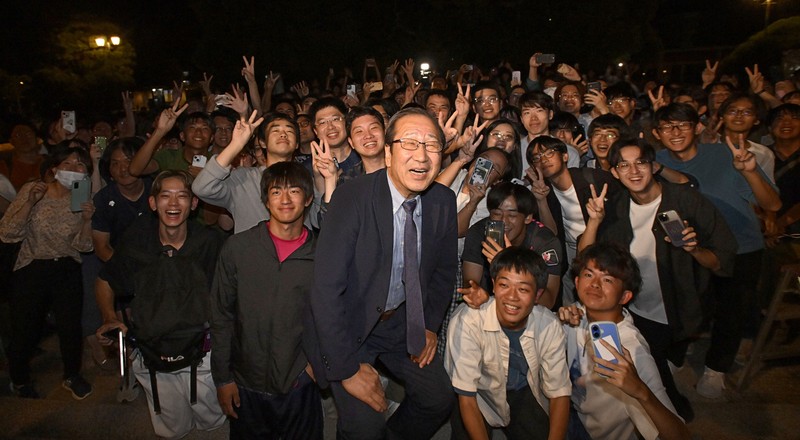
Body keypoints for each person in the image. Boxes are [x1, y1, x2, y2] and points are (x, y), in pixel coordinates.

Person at [309, 108, 457, 439]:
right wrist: (346, 368)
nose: (421, 155)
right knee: (365, 424)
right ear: (388, 152)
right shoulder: (352, 197)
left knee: (437, 398)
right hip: (349, 323)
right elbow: (325, 289)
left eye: (431, 144)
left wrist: (430, 325)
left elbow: (444, 271)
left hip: (401, 322)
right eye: (409, 143)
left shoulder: (442, 201)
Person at [578, 138, 737, 420]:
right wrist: (594, 221)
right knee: (651, 364)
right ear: (614, 172)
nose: (633, 171)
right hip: (636, 307)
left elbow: (723, 256)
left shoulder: (686, 201)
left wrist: (694, 249)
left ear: (653, 166)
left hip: (679, 304)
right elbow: (587, 259)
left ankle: (671, 412)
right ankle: (673, 411)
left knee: (662, 357)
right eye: (623, 165)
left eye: (640, 162)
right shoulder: (614, 206)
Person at [654, 102, 781, 399]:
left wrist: (750, 171)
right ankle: (675, 356)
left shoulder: (727, 154)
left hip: (742, 245)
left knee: (731, 312)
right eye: (667, 126)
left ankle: (716, 367)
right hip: (690, 248)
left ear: (698, 128)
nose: (675, 132)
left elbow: (773, 205)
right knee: (685, 304)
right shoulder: (655, 161)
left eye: (683, 125)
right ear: (657, 133)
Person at [95, 170, 226, 438]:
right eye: (165, 196)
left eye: (182, 196)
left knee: (212, 422)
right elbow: (105, 280)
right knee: (173, 429)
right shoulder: (136, 242)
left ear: (194, 203)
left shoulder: (210, 243)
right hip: (153, 350)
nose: (174, 204)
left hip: (202, 351)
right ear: (153, 203)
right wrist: (109, 316)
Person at [211, 161, 322, 439]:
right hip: (245, 380)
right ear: (265, 199)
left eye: (294, 191)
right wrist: (222, 378)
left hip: (298, 381)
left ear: (308, 198)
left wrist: (315, 366)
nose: (285, 200)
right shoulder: (239, 248)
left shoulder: (322, 252)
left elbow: (334, 315)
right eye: (276, 192)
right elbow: (221, 316)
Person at [559, 243, 690, 440]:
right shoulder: (579, 313)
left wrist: (640, 391)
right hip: (574, 414)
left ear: (625, 296)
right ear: (576, 282)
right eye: (589, 275)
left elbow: (680, 436)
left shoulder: (631, 349)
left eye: (607, 279)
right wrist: (558, 319)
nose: (595, 284)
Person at [0, 146, 95, 399]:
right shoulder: (34, 190)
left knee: (71, 327)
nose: (74, 169)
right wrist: (30, 203)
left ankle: (72, 375)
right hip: (33, 266)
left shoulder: (81, 196)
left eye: (81, 166)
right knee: (26, 328)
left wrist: (87, 221)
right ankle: (19, 379)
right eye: (68, 163)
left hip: (66, 266)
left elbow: (84, 247)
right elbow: (7, 233)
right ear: (54, 168)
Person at [446, 247, 571, 440]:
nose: (512, 297)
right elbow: (467, 398)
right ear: (494, 285)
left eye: (523, 289)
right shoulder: (467, 321)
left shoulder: (548, 325)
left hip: (523, 389)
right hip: (477, 393)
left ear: (538, 295)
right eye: (504, 285)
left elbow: (559, 392)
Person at [192, 111, 307, 234]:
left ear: (296, 144)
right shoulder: (243, 178)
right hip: (251, 252)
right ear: (262, 142)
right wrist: (236, 144)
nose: (283, 134)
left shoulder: (306, 178)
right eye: (275, 131)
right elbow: (202, 188)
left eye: (289, 131)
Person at [461, 182, 563, 309]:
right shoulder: (479, 233)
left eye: (512, 215)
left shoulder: (545, 242)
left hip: (532, 310)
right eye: (497, 214)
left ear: (528, 218)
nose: (503, 221)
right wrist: (475, 293)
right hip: (488, 304)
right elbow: (470, 284)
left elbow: (548, 300)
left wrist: (507, 264)